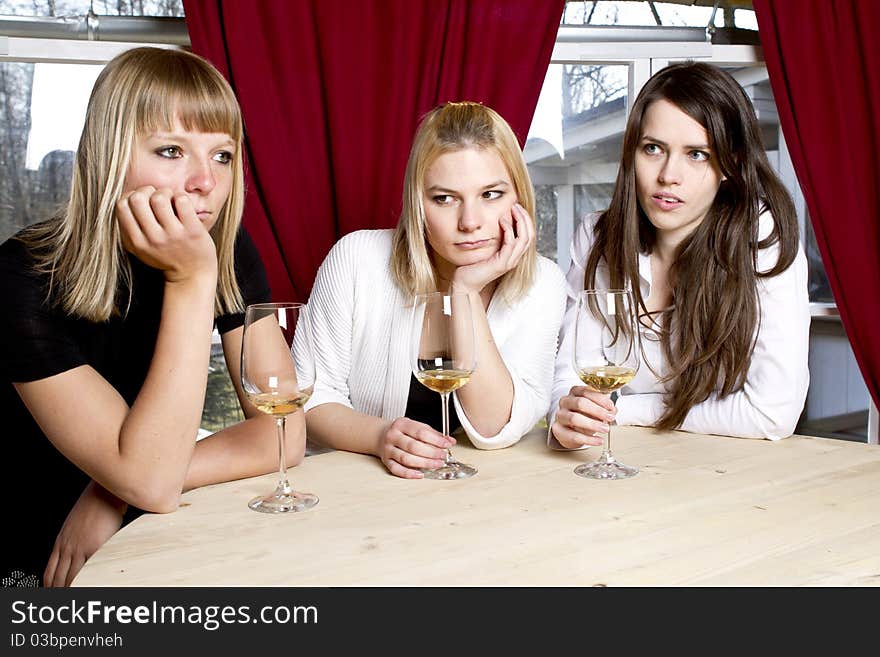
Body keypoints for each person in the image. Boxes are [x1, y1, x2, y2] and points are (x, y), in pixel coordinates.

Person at [0, 47, 302, 587]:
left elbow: (281, 435)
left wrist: (109, 491)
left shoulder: (224, 249)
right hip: (42, 554)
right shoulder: (20, 275)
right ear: (108, 156)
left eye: (222, 155)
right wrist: (190, 282)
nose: (205, 182)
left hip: (151, 522)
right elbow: (149, 479)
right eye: (170, 150)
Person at [549, 62, 809, 450]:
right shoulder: (597, 236)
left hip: (728, 473)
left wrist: (624, 410)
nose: (669, 174)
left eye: (697, 154)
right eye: (653, 148)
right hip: (618, 469)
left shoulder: (760, 239)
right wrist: (568, 417)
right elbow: (570, 376)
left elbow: (773, 411)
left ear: (731, 163)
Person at [305, 101, 567, 478]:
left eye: (490, 194)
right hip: (358, 491)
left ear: (519, 197)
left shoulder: (544, 283)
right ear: (418, 203)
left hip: (483, 497)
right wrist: (380, 437)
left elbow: (494, 428)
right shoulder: (356, 259)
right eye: (445, 198)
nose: (470, 222)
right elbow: (311, 397)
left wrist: (465, 291)